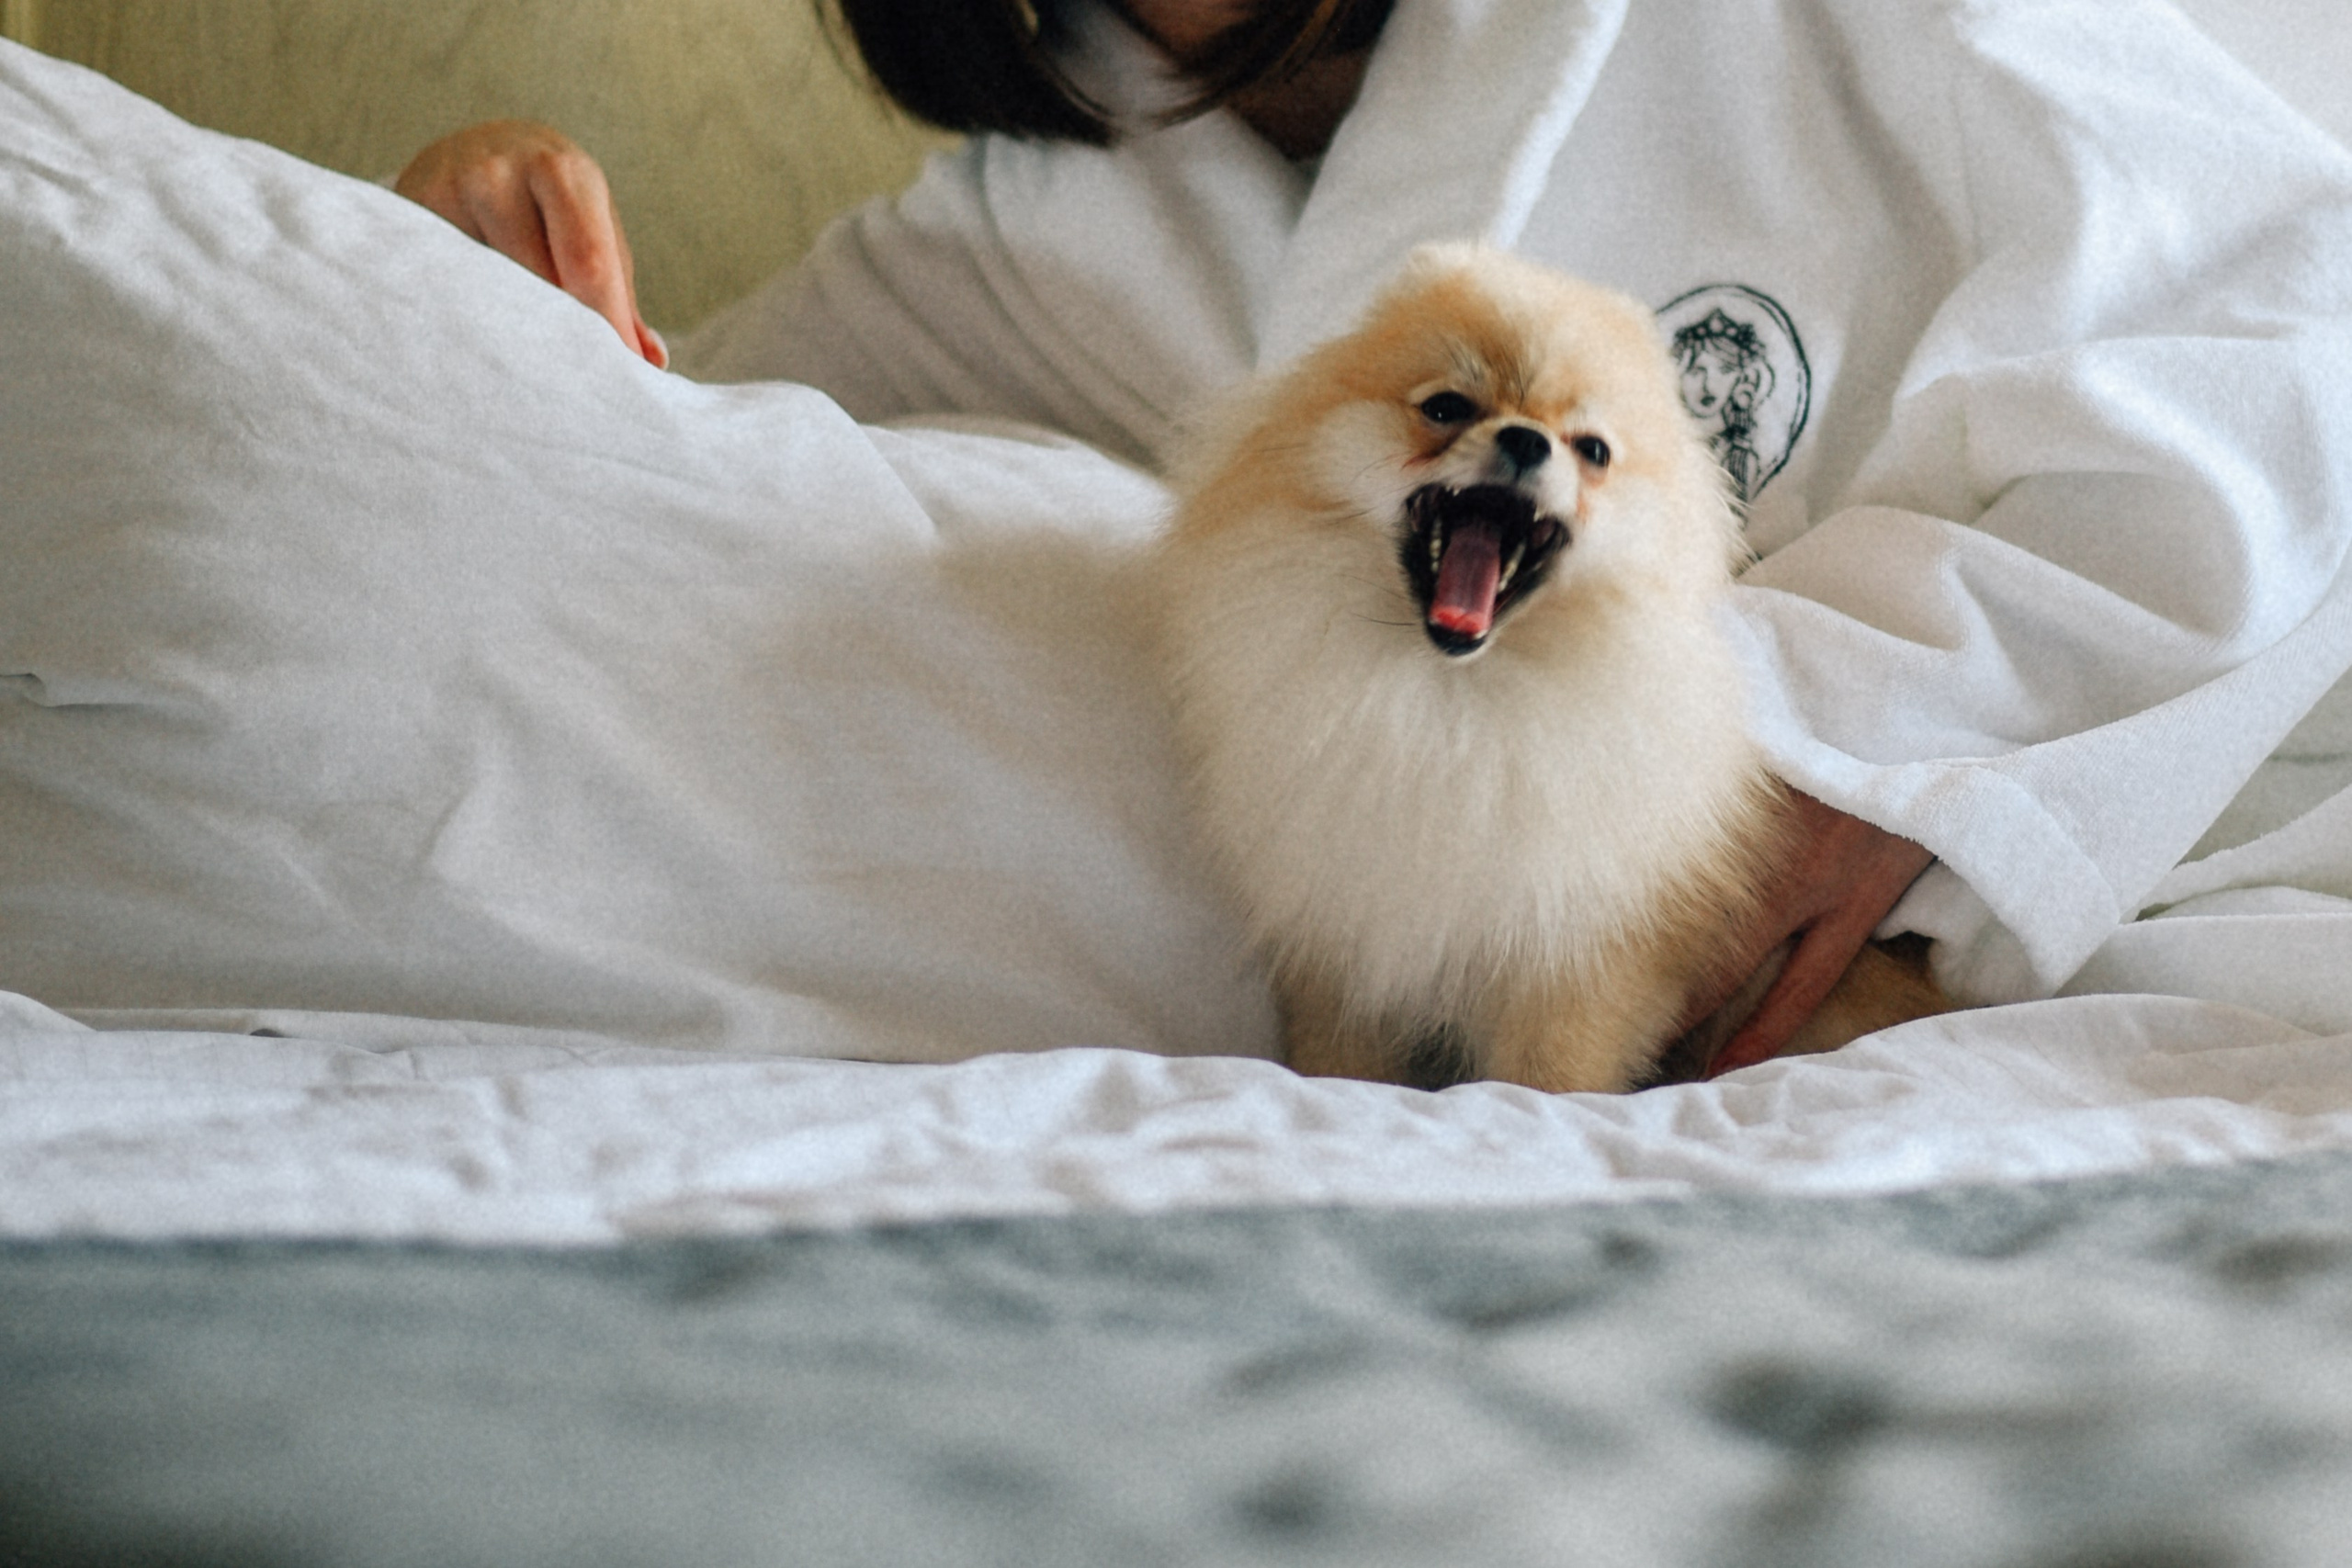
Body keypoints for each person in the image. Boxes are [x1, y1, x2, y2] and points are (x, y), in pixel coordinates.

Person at [395, 0, 2352, 1076]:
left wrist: (1883, 747)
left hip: (2204, 811)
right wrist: (462, 251)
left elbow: (2285, 298)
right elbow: (660, 452)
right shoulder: (1008, 241)